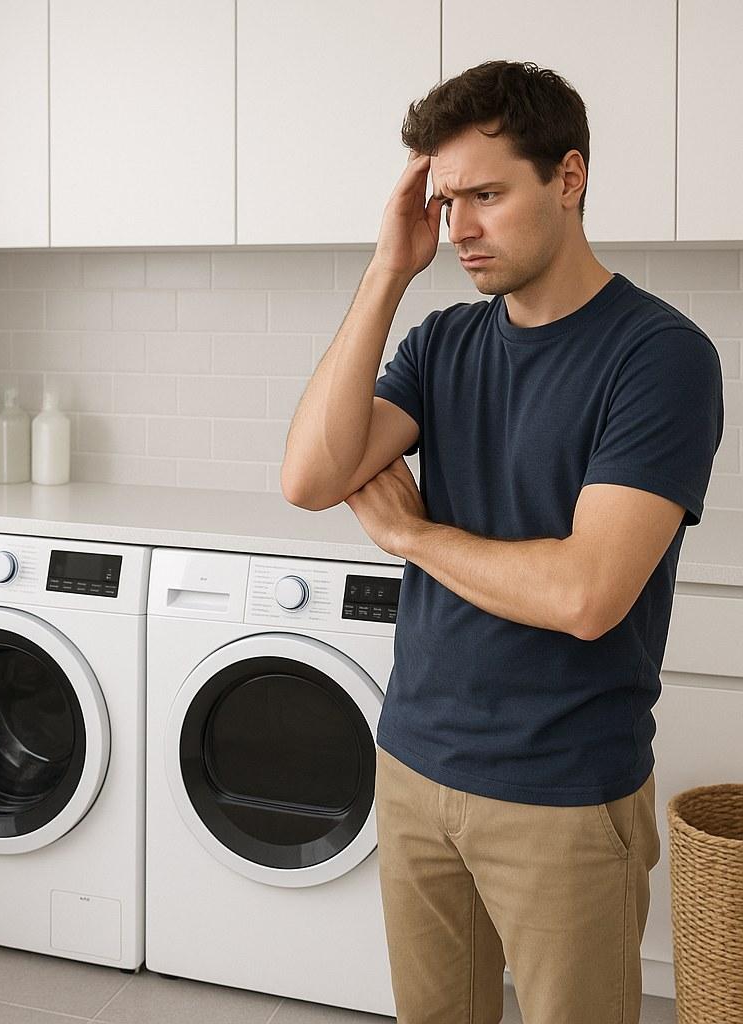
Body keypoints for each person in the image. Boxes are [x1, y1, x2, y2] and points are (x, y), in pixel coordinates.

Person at [280, 59, 724, 1024]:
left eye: (487, 193)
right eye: (446, 201)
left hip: (562, 794)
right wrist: (388, 268)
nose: (461, 230)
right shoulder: (443, 343)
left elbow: (585, 594)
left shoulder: (661, 356)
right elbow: (311, 479)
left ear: (569, 178)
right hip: (413, 764)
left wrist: (412, 534)